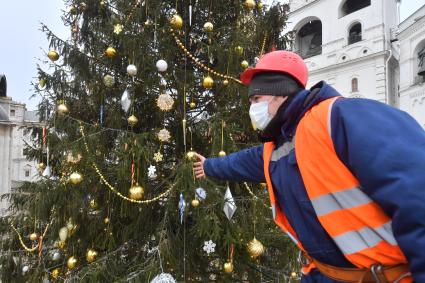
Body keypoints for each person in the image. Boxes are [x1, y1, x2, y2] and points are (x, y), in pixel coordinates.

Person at [193, 50, 425, 283]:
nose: (252, 109)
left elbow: (416, 196)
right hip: (321, 274)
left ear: (280, 93)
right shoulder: (276, 147)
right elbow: (240, 162)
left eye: (256, 100)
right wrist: (210, 166)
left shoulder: (343, 116)